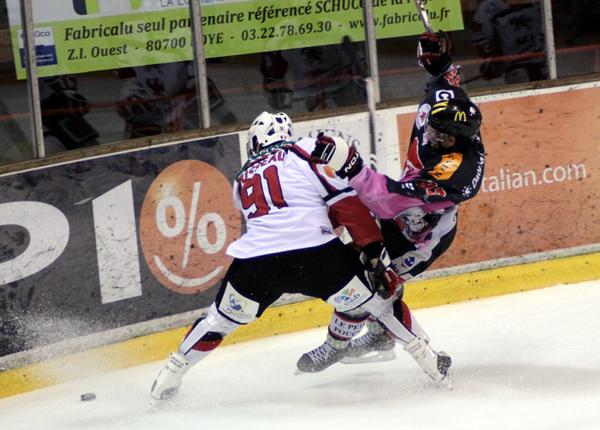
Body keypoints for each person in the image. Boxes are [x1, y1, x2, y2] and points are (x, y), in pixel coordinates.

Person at [150, 111, 446, 401]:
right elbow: (347, 206)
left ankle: (171, 374)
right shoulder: (306, 151)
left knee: (218, 321)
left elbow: (276, 219)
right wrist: (374, 254)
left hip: (256, 264)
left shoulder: (242, 178)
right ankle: (431, 363)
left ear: (255, 141)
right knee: (381, 304)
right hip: (315, 257)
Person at [298, 31, 485, 384]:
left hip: (421, 235)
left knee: (373, 286)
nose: (429, 137)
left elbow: (386, 201)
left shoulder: (455, 174)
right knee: (362, 269)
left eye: (439, 138)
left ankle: (401, 351)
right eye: (430, 129)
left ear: (457, 141)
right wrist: (438, 61)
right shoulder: (444, 106)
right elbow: (445, 82)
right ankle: (379, 337)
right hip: (400, 216)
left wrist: (352, 165)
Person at [116, 61, 236, 139]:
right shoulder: (133, 84)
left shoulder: (194, 80)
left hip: (188, 140)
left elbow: (224, 115)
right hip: (154, 145)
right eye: (149, 67)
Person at [470, 0, 546, 84]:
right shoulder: (489, 6)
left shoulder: (487, 6)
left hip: (535, 64)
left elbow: (481, 41)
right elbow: (481, 41)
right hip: (519, 68)